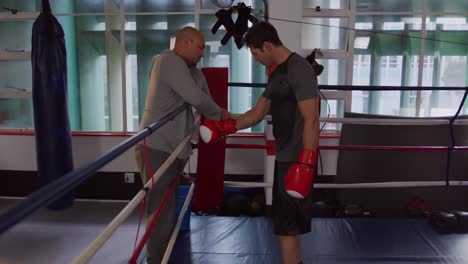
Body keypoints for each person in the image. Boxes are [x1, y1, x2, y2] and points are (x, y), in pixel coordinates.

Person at [199, 22, 320, 264]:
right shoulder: (277, 74)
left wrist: (306, 162)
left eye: (255, 53)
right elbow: (256, 113)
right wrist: (226, 125)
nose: (255, 59)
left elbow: (312, 118)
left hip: (297, 160)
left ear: (267, 45)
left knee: (287, 229)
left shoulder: (299, 69)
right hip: (285, 158)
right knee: (287, 228)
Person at [134, 26, 230, 264]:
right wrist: (227, 118)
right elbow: (197, 99)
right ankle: (156, 260)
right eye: (200, 47)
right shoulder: (167, 62)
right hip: (156, 146)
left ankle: (163, 256)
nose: (202, 53)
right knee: (161, 211)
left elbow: (205, 100)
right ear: (185, 42)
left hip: (174, 147)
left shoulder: (192, 71)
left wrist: (220, 123)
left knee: (169, 209)